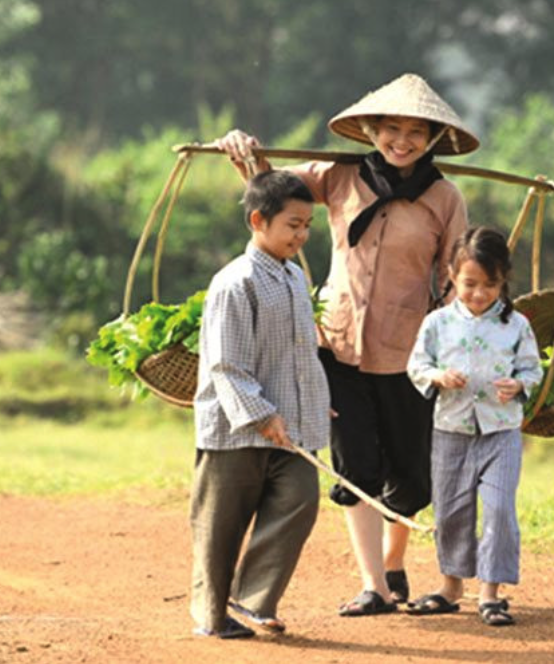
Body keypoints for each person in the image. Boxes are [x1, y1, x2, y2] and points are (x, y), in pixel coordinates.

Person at [216, 73, 479, 616]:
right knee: (354, 465)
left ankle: (393, 561)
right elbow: (271, 189)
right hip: (338, 347)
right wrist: (244, 150)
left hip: (411, 353)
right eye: (391, 129)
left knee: (411, 473)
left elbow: (457, 273)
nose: (401, 141)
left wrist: (458, 333)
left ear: (432, 138)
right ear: (372, 131)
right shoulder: (339, 176)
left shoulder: (444, 197)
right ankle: (374, 586)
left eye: (415, 132)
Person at [189, 170, 331, 638]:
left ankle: (252, 600)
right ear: (258, 220)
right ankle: (212, 618)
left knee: (300, 500)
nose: (302, 235)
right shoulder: (235, 282)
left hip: (289, 429)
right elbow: (226, 364)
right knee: (221, 527)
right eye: (293, 224)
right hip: (235, 431)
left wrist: (315, 402)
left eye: (307, 225)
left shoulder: (294, 278)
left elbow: (301, 353)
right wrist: (261, 414)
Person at [406, 226, 543, 626]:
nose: (479, 294)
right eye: (469, 284)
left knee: (499, 509)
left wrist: (519, 385)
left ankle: (490, 594)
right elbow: (417, 365)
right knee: (451, 510)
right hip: (451, 429)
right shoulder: (437, 323)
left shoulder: (517, 325)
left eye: (490, 285)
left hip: (501, 431)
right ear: (451, 275)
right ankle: (451, 587)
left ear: (504, 280)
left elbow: (533, 370)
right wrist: (438, 376)